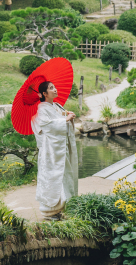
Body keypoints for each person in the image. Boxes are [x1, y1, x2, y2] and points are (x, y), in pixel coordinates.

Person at [31, 81, 78, 220]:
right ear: (44, 94)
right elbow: (47, 125)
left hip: (60, 148)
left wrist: (68, 115)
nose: (55, 89)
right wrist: (64, 120)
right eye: (51, 88)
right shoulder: (41, 108)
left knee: (64, 174)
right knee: (53, 176)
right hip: (51, 151)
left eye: (54, 87)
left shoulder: (56, 105)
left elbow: (59, 118)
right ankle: (51, 210)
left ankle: (66, 207)